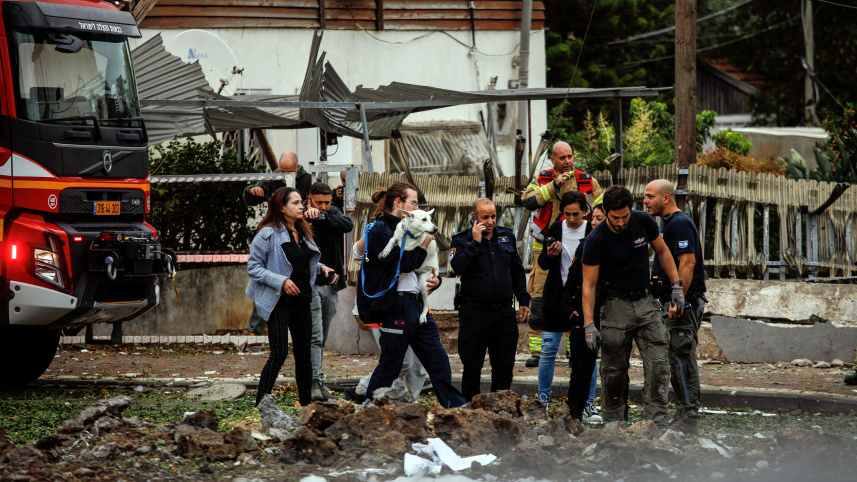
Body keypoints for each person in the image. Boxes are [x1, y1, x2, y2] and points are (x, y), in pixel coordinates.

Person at [580, 185, 684, 432]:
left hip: (646, 303)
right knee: (614, 370)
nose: (621, 222)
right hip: (615, 307)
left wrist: (677, 286)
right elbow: (589, 285)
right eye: (615, 218)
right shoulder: (596, 240)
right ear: (605, 212)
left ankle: (656, 425)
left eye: (625, 216)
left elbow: (663, 251)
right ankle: (615, 424)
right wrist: (588, 324)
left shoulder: (642, 220)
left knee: (659, 365)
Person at [357, 181, 465, 408]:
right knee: (391, 365)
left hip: (418, 307)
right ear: (399, 203)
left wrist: (436, 280)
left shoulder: (413, 229)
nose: (418, 208)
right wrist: (425, 243)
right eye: (414, 203)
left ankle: (457, 410)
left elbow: (424, 265)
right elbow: (401, 264)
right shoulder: (381, 230)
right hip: (396, 306)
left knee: (438, 362)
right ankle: (367, 412)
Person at [247, 187, 337, 407]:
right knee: (279, 352)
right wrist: (282, 281)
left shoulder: (304, 231)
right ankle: (261, 403)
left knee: (304, 355)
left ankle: (306, 406)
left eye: (301, 202)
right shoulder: (268, 234)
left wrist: (322, 269)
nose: (301, 207)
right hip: (279, 302)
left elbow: (304, 265)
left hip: (303, 301)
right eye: (295, 203)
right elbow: (254, 267)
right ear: (281, 207)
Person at [521, 141, 603, 367]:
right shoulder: (542, 179)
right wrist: (551, 187)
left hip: (580, 250)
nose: (567, 162)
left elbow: (601, 210)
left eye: (570, 156)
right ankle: (537, 353)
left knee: (576, 297)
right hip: (544, 250)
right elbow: (526, 202)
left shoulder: (587, 181)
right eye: (562, 158)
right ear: (553, 160)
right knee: (539, 300)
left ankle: (571, 350)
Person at [449, 198, 531, 401]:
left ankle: (500, 412)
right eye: (485, 217)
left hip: (503, 313)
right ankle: (470, 412)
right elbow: (458, 267)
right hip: (474, 313)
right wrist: (475, 243)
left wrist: (523, 300)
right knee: (472, 367)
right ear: (474, 217)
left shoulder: (506, 236)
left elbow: (517, 270)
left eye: (493, 216)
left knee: (504, 368)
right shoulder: (461, 240)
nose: (490, 221)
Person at [643, 179, 708, 435]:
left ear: (666, 198)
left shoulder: (679, 223)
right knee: (676, 358)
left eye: (650, 196)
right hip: (678, 304)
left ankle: (688, 418)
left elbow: (688, 263)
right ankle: (684, 415)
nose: (646, 201)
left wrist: (677, 300)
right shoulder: (669, 224)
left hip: (683, 306)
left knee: (681, 360)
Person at [536, 191, 591, 407]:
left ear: (584, 212)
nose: (571, 219)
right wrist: (550, 254)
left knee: (586, 354)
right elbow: (542, 263)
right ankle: (543, 399)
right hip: (556, 299)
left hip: (582, 300)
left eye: (576, 214)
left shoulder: (591, 230)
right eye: (567, 214)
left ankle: (587, 401)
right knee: (548, 350)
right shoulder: (556, 229)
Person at [304, 182, 354, 400]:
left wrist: (323, 214)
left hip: (332, 285)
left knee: (322, 337)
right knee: (314, 337)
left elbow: (346, 225)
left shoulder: (330, 212)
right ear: (309, 199)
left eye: (327, 202)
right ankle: (313, 384)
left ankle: (317, 382)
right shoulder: (302, 216)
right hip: (313, 284)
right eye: (319, 202)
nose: (324, 205)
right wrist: (309, 215)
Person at [243, 152, 312, 206]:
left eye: (290, 172)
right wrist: (252, 191)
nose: (286, 175)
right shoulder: (272, 179)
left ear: (297, 167)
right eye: (282, 171)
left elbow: (318, 200)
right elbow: (250, 201)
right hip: (277, 221)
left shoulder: (308, 180)